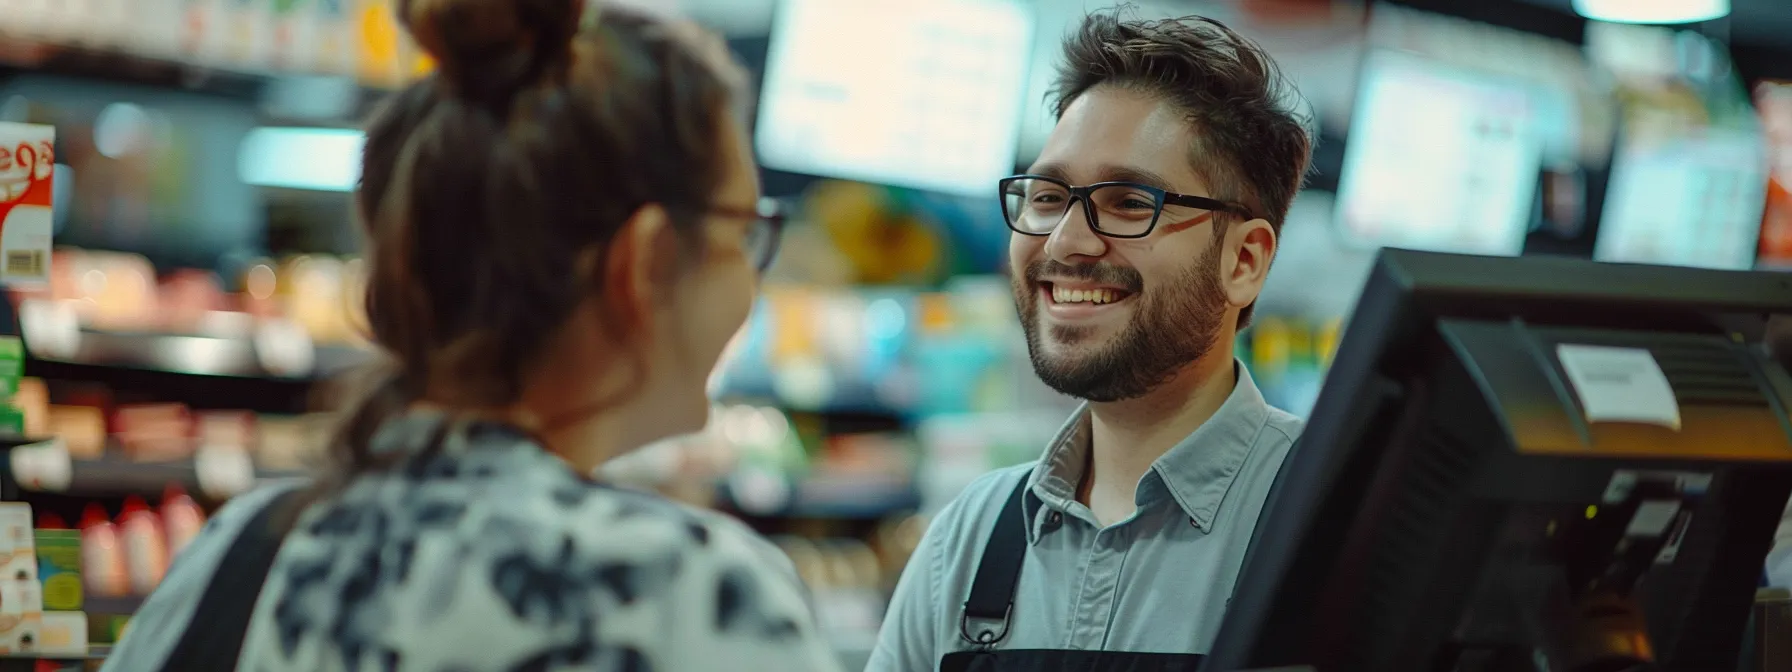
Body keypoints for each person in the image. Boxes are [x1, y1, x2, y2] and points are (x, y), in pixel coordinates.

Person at [101, 1, 840, 670]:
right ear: (644, 262)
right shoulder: (690, 593)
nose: (753, 276)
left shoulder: (244, 552)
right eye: (746, 232)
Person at [868, 10, 1312, 672]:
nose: (1067, 241)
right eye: (1047, 196)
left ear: (1244, 262)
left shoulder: (1329, 513)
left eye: (1132, 202)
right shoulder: (968, 541)